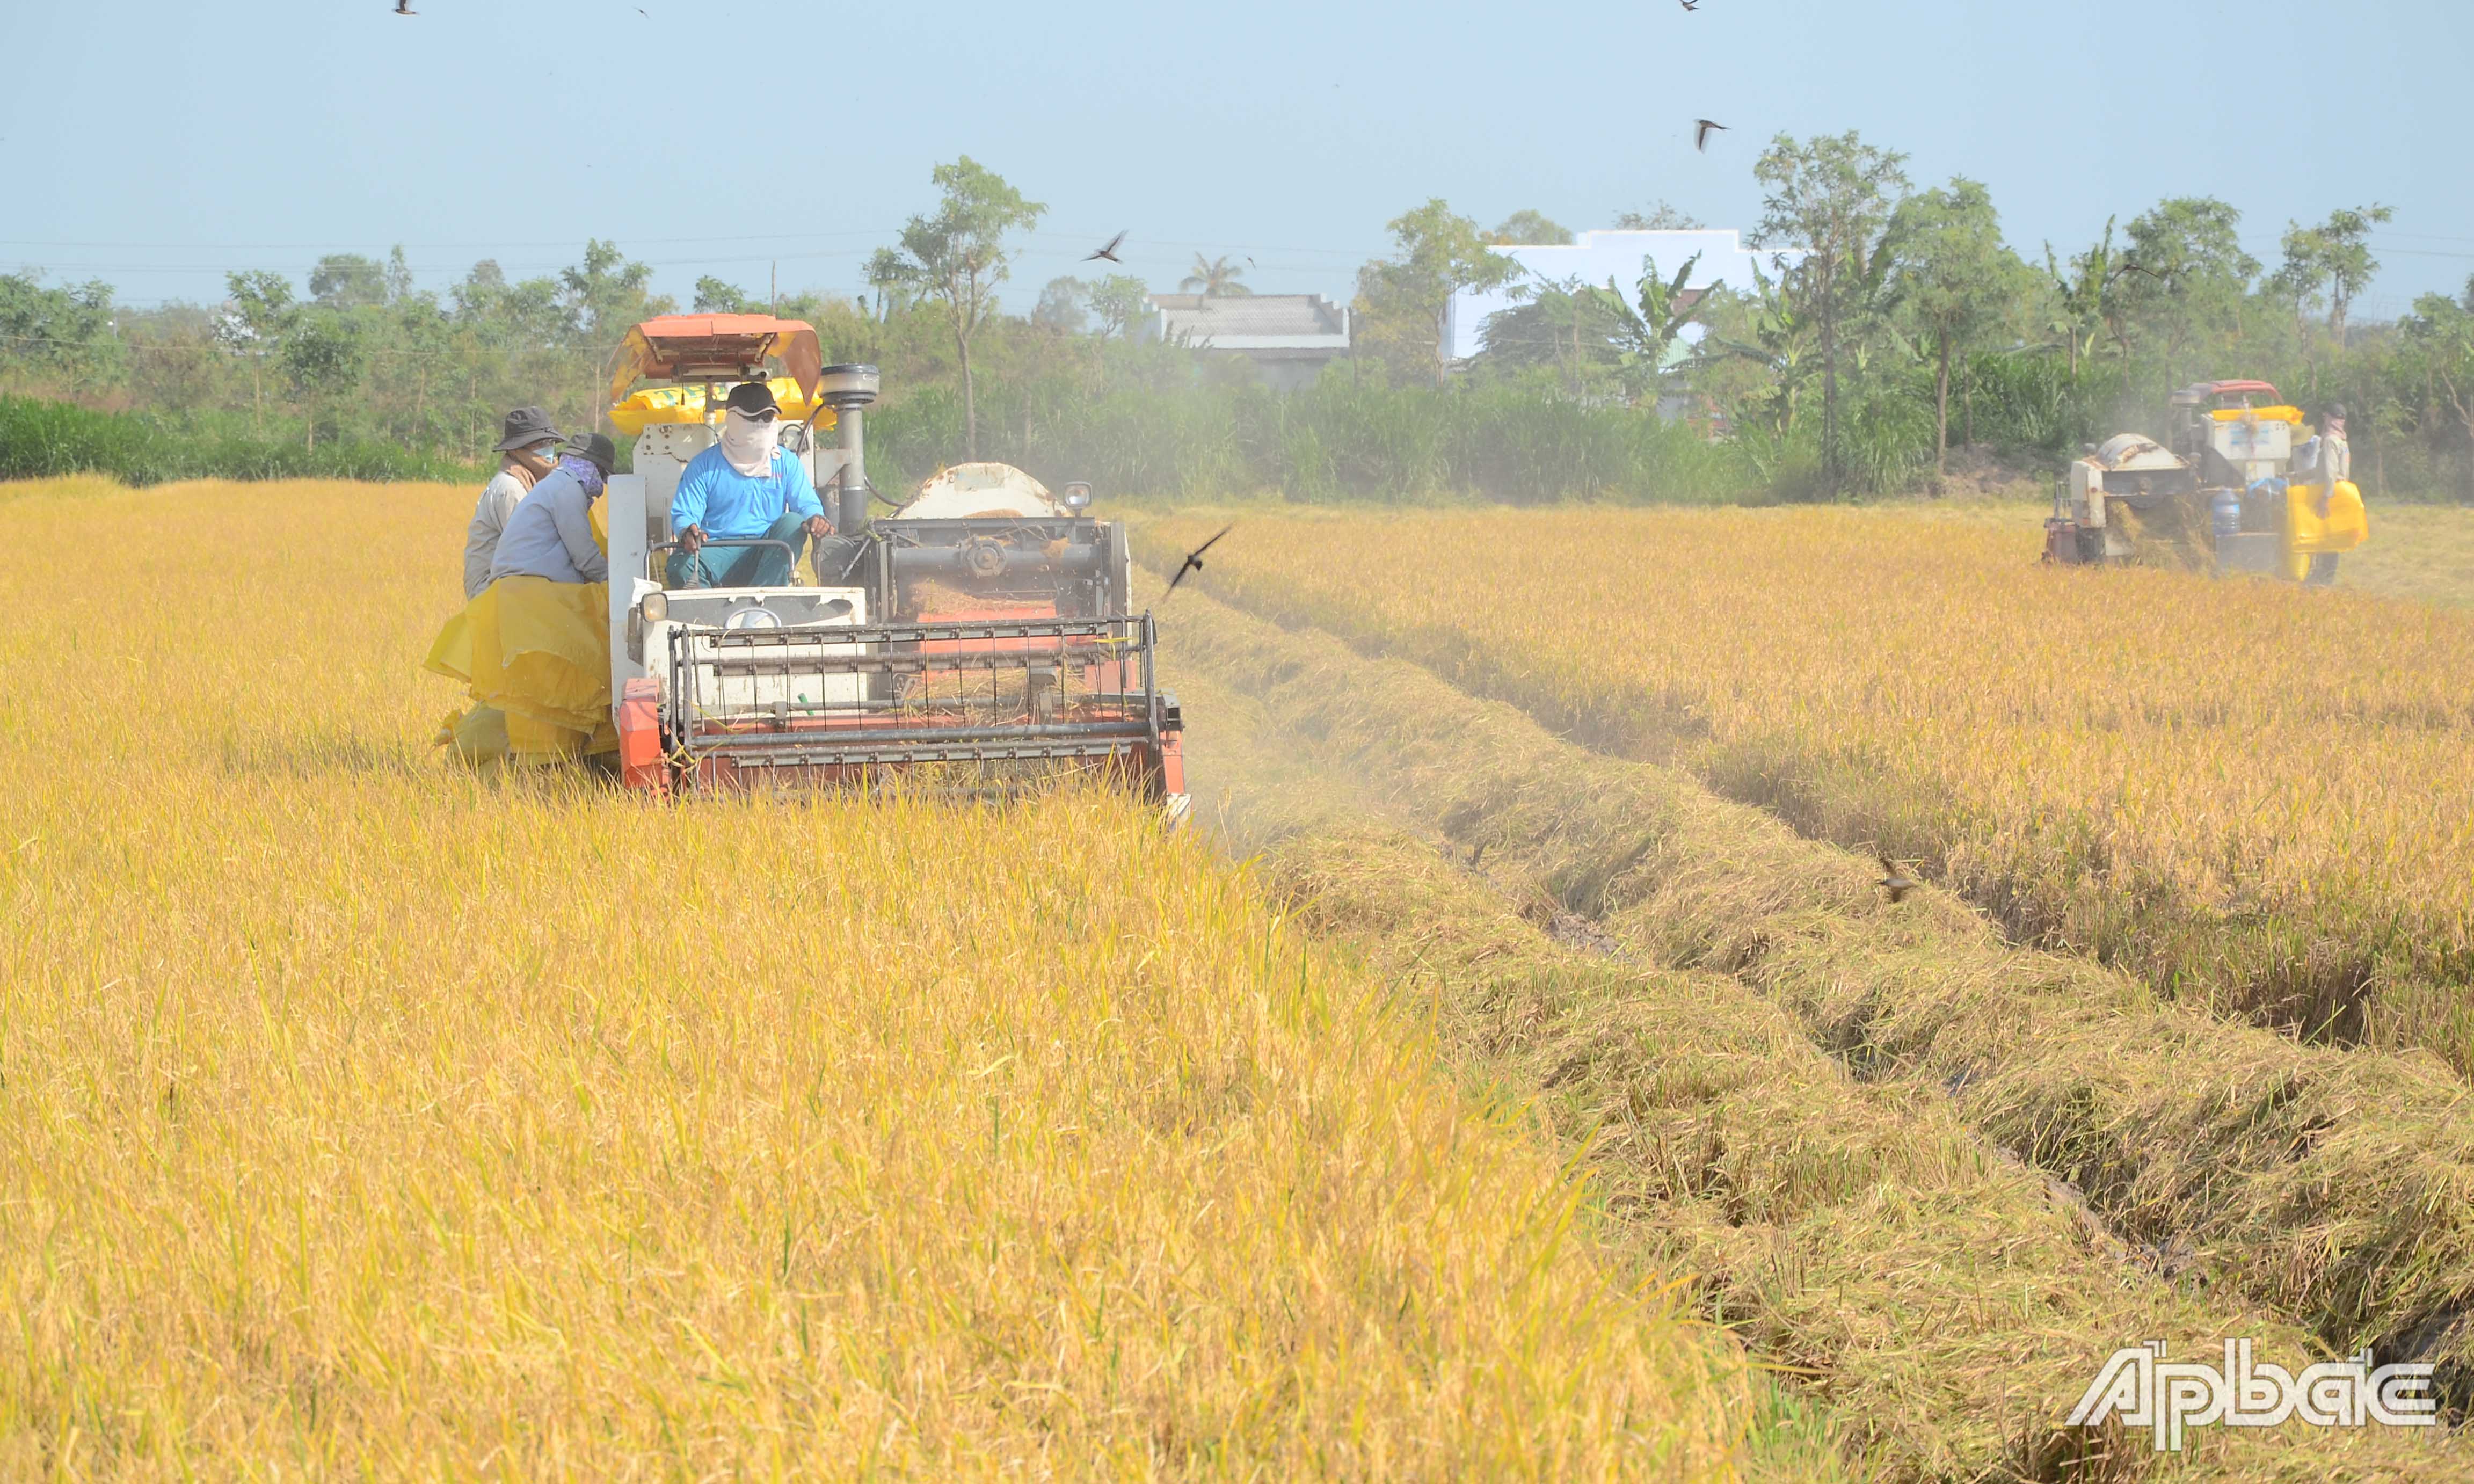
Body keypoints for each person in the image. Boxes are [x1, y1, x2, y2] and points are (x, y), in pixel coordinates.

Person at [668, 381, 834, 587]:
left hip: (769, 549)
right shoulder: (704, 466)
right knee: (679, 565)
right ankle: (708, 615)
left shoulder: (785, 462)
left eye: (768, 417)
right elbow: (685, 513)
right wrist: (688, 531)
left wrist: (815, 518)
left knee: (793, 522)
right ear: (733, 420)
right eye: (755, 418)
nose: (763, 424)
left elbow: (807, 504)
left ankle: (758, 608)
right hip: (718, 552)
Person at [462, 406, 564, 599]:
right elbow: (528, 549)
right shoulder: (511, 489)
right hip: (489, 587)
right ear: (518, 450)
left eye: (550, 443)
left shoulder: (530, 484)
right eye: (539, 445)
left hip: (509, 581)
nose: (548, 450)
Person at [491, 433, 616, 585]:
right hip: (529, 586)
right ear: (594, 469)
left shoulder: (558, 482)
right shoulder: (568, 490)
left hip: (522, 582)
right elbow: (585, 556)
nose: (601, 484)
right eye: (602, 475)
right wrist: (616, 583)